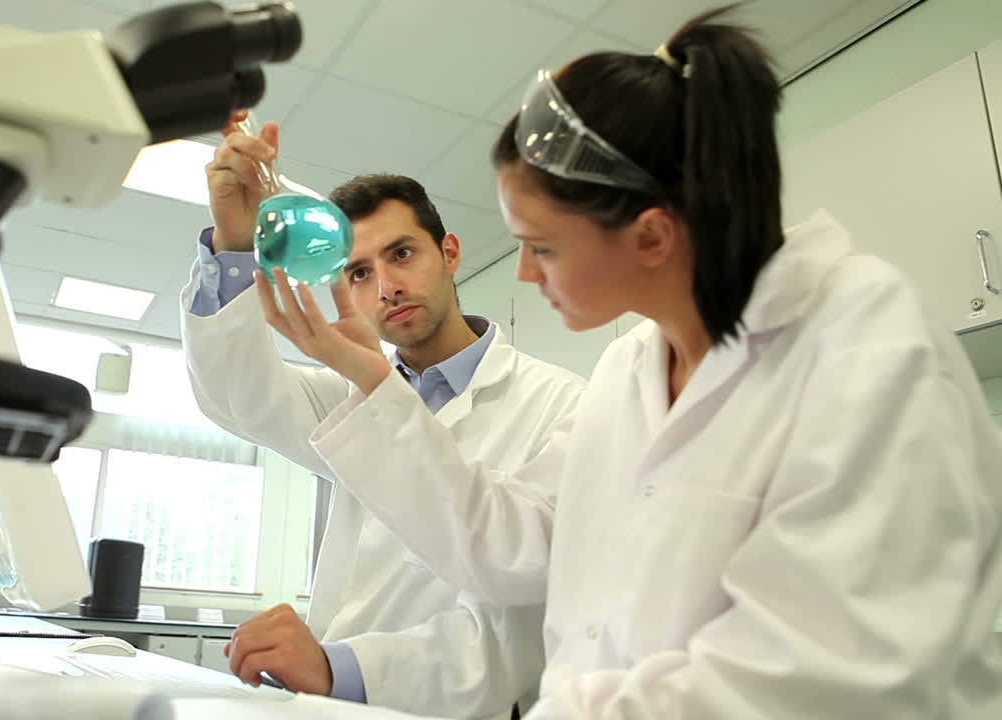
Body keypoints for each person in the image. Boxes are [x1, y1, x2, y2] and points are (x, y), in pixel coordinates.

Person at [254, 5, 1002, 719]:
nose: (523, 274)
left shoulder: (866, 355)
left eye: (541, 246)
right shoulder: (629, 371)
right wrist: (375, 382)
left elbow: (820, 681)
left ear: (650, 237)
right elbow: (507, 542)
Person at [179, 119, 586, 718]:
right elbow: (235, 394)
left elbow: (518, 635)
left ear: (448, 253)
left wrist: (338, 668)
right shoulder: (352, 399)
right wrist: (235, 245)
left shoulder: (560, 406)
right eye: (360, 272)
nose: (387, 288)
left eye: (401, 254)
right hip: (324, 704)